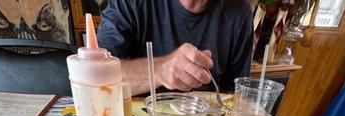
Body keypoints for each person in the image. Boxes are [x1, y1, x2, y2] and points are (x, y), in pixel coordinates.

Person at [97, 0, 253, 95]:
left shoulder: (240, 11)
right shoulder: (130, 4)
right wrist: (159, 70)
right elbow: (98, 76)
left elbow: (235, 92)